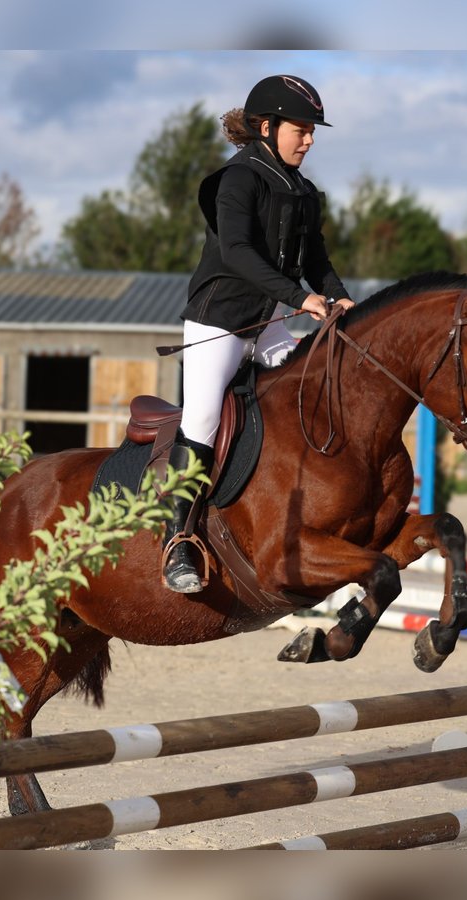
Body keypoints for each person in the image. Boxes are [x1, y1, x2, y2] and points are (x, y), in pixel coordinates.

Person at [161, 73, 356, 594]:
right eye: (302, 129)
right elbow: (238, 253)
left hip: (268, 323)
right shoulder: (239, 178)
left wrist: (339, 296)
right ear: (267, 127)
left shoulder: (302, 189)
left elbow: (316, 258)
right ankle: (176, 540)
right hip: (218, 322)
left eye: (313, 131)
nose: (309, 139)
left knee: (308, 397)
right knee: (202, 417)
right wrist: (301, 299)